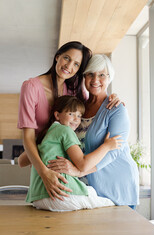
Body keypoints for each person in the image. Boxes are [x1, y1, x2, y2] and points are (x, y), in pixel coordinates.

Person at [18, 41, 121, 201]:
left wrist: (112, 98)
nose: (69, 66)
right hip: (44, 159)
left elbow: (93, 104)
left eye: (76, 64)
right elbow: (28, 137)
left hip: (65, 159)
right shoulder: (31, 87)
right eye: (66, 58)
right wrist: (44, 173)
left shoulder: (74, 91)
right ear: (57, 57)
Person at [47, 54, 140, 209]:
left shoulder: (117, 109)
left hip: (116, 186)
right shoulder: (79, 107)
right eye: (90, 74)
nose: (95, 80)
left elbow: (113, 151)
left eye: (102, 75)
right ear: (84, 77)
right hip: (90, 189)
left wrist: (78, 171)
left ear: (110, 77)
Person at [27, 95, 122, 211]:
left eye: (79, 116)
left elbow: (22, 161)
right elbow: (83, 165)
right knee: (111, 203)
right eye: (71, 114)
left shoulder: (46, 134)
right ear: (57, 115)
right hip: (60, 194)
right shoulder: (65, 130)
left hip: (38, 198)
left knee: (90, 193)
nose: (76, 119)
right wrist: (107, 146)